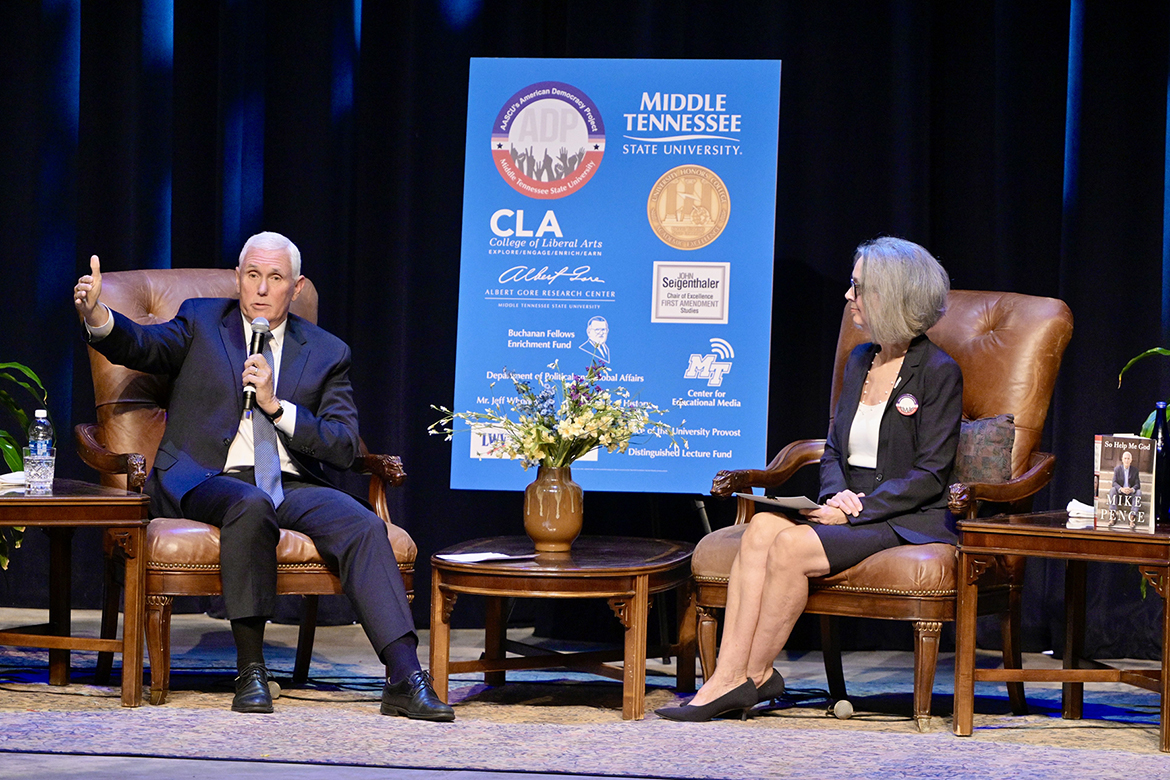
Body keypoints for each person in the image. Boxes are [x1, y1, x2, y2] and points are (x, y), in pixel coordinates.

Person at [73, 232, 454, 721]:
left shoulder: (326, 351)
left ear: (295, 289)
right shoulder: (203, 320)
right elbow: (144, 345)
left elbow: (341, 443)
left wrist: (278, 407)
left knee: (362, 525)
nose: (260, 288)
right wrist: (97, 317)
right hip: (207, 477)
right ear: (238, 279)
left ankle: (404, 677)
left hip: (290, 484)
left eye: (274, 278)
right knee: (249, 505)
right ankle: (251, 670)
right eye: (252, 275)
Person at [656, 236, 960, 722]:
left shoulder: (939, 372)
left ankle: (751, 676)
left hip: (905, 517)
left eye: (858, 287)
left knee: (791, 548)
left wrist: (857, 507)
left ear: (891, 295)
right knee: (761, 530)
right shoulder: (861, 359)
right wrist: (833, 493)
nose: (848, 296)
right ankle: (727, 675)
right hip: (850, 505)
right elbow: (834, 447)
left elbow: (930, 474)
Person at [1108, 449, 1142, 528]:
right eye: (1125, 458)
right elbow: (1114, 482)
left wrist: (1132, 489)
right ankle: (1112, 517)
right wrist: (1121, 489)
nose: (1126, 460)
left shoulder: (1135, 470)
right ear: (1122, 459)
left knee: (1138, 492)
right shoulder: (1117, 469)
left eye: (1128, 458)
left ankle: (1132, 518)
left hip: (1130, 494)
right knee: (1112, 490)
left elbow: (1138, 484)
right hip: (1120, 494)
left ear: (1131, 460)